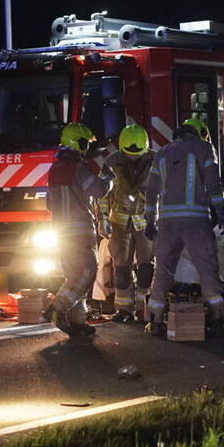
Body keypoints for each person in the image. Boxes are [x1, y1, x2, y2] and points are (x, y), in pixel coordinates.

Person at [143, 117, 224, 337]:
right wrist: (220, 213)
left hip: (167, 224)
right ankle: (219, 320)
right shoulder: (203, 148)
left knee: (162, 272)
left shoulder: (161, 153)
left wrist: (150, 220)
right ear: (198, 133)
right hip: (196, 222)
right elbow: (213, 184)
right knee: (207, 271)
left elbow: (150, 190)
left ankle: (154, 322)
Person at [42, 122, 115, 336]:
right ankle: (57, 309)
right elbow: (99, 190)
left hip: (60, 232)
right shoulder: (78, 167)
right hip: (80, 231)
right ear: (79, 142)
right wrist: (109, 177)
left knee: (73, 276)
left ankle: (78, 322)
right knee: (87, 273)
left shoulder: (54, 169)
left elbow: (49, 203)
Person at [99, 124, 155, 324]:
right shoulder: (111, 162)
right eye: (128, 153)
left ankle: (144, 308)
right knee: (121, 270)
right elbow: (104, 193)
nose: (133, 157)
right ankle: (124, 310)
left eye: (137, 153)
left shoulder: (155, 160)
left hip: (145, 223)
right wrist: (103, 217)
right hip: (119, 224)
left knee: (146, 268)